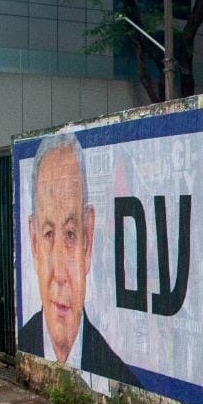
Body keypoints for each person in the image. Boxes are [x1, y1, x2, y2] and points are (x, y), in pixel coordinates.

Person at [18, 132, 137, 386]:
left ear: (88, 240)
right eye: (48, 234)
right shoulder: (24, 343)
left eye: (71, 234)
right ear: (34, 242)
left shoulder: (119, 378)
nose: (60, 274)